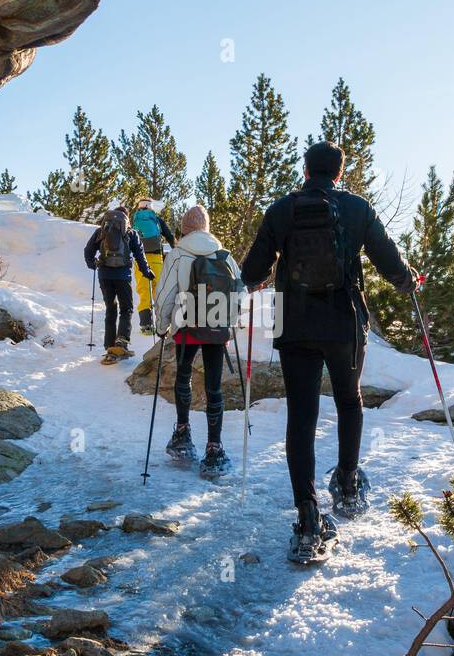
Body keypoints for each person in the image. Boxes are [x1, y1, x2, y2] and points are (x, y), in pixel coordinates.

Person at [239, 140, 417, 564]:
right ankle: (349, 483)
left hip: (294, 325)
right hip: (344, 325)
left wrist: (267, 274)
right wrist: (408, 281)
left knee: (301, 416)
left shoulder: (281, 210)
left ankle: (307, 516)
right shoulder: (356, 208)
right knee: (348, 401)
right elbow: (390, 263)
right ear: (339, 173)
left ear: (305, 170)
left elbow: (251, 272)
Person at [152, 204, 243, 477]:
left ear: (184, 228)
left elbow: (165, 295)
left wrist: (161, 327)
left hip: (186, 327)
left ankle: (182, 434)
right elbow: (239, 294)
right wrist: (231, 325)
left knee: (183, 376)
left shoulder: (178, 255)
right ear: (206, 227)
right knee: (214, 386)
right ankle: (214, 448)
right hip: (216, 328)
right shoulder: (225, 257)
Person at [84, 206, 155, 365]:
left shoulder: (102, 231)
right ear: (126, 219)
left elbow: (88, 250)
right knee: (126, 308)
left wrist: (92, 264)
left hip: (104, 275)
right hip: (123, 276)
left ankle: (109, 345)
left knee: (111, 308)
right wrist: (147, 272)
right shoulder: (130, 233)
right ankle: (121, 342)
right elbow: (140, 256)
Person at [131, 197, 177, 335]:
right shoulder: (157, 220)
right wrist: (176, 248)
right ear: (151, 207)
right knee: (159, 291)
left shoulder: (134, 220)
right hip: (157, 258)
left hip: (139, 259)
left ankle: (146, 326)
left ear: (139, 207)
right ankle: (162, 324)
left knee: (144, 291)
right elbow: (169, 236)